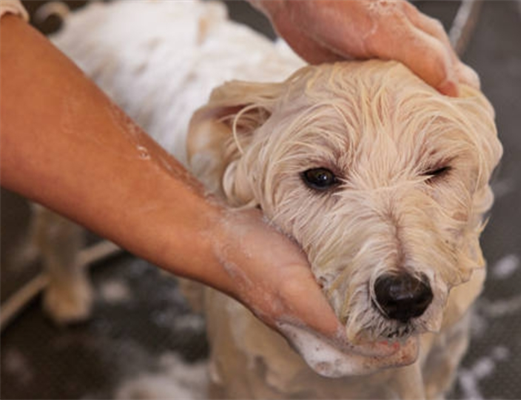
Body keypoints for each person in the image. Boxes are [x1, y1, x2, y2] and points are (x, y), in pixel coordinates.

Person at [0, 0, 478, 358]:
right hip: (80, 60)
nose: (404, 278)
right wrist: (216, 242)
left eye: (435, 170)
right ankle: (60, 269)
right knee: (60, 213)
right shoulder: (239, 134)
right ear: (232, 144)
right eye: (321, 177)